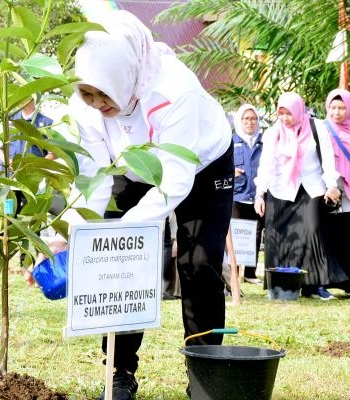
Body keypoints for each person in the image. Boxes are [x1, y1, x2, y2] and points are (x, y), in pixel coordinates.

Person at [54, 10, 233, 400]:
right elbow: (96, 177)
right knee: (122, 263)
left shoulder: (175, 91)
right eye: (88, 93)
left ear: (127, 77)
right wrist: (66, 234)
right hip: (130, 165)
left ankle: (205, 371)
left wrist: (130, 226)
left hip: (200, 164)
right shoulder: (83, 105)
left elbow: (175, 177)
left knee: (199, 263)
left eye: (105, 94)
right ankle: (119, 372)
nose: (97, 103)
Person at [254, 91, 347, 300]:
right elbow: (266, 166)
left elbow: (327, 159)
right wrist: (259, 194)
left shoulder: (317, 128)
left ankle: (314, 286)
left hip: (311, 188)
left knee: (312, 234)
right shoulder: (273, 134)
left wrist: (331, 184)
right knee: (280, 238)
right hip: (280, 190)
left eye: (289, 113)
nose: (285, 118)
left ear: (298, 110)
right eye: (281, 113)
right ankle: (280, 286)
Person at [0, 98, 54, 267]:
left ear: (32, 99)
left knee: (29, 219)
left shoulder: (45, 123)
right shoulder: (8, 120)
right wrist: (10, 163)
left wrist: (36, 165)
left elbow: (53, 152)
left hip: (30, 181)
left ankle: (27, 261)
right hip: (5, 179)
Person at [232, 104, 265, 284]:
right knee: (237, 235)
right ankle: (234, 272)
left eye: (253, 119)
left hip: (257, 196)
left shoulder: (263, 142)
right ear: (239, 121)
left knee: (256, 234)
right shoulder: (232, 141)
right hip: (238, 195)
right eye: (246, 119)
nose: (250, 122)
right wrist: (231, 171)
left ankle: (250, 273)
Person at [323, 88, 350, 292]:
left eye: (342, 107)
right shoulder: (322, 129)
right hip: (330, 187)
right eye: (333, 107)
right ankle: (335, 279)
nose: (337, 112)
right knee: (332, 232)